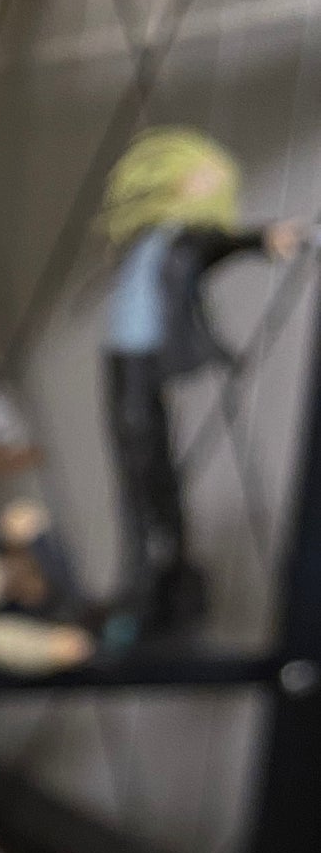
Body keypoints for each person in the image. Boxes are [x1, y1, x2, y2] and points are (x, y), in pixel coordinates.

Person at [99, 127, 303, 638]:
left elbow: (217, 244)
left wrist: (260, 239)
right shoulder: (151, 240)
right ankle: (142, 589)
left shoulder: (187, 242)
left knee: (154, 476)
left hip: (144, 365)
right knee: (137, 475)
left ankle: (157, 590)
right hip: (124, 363)